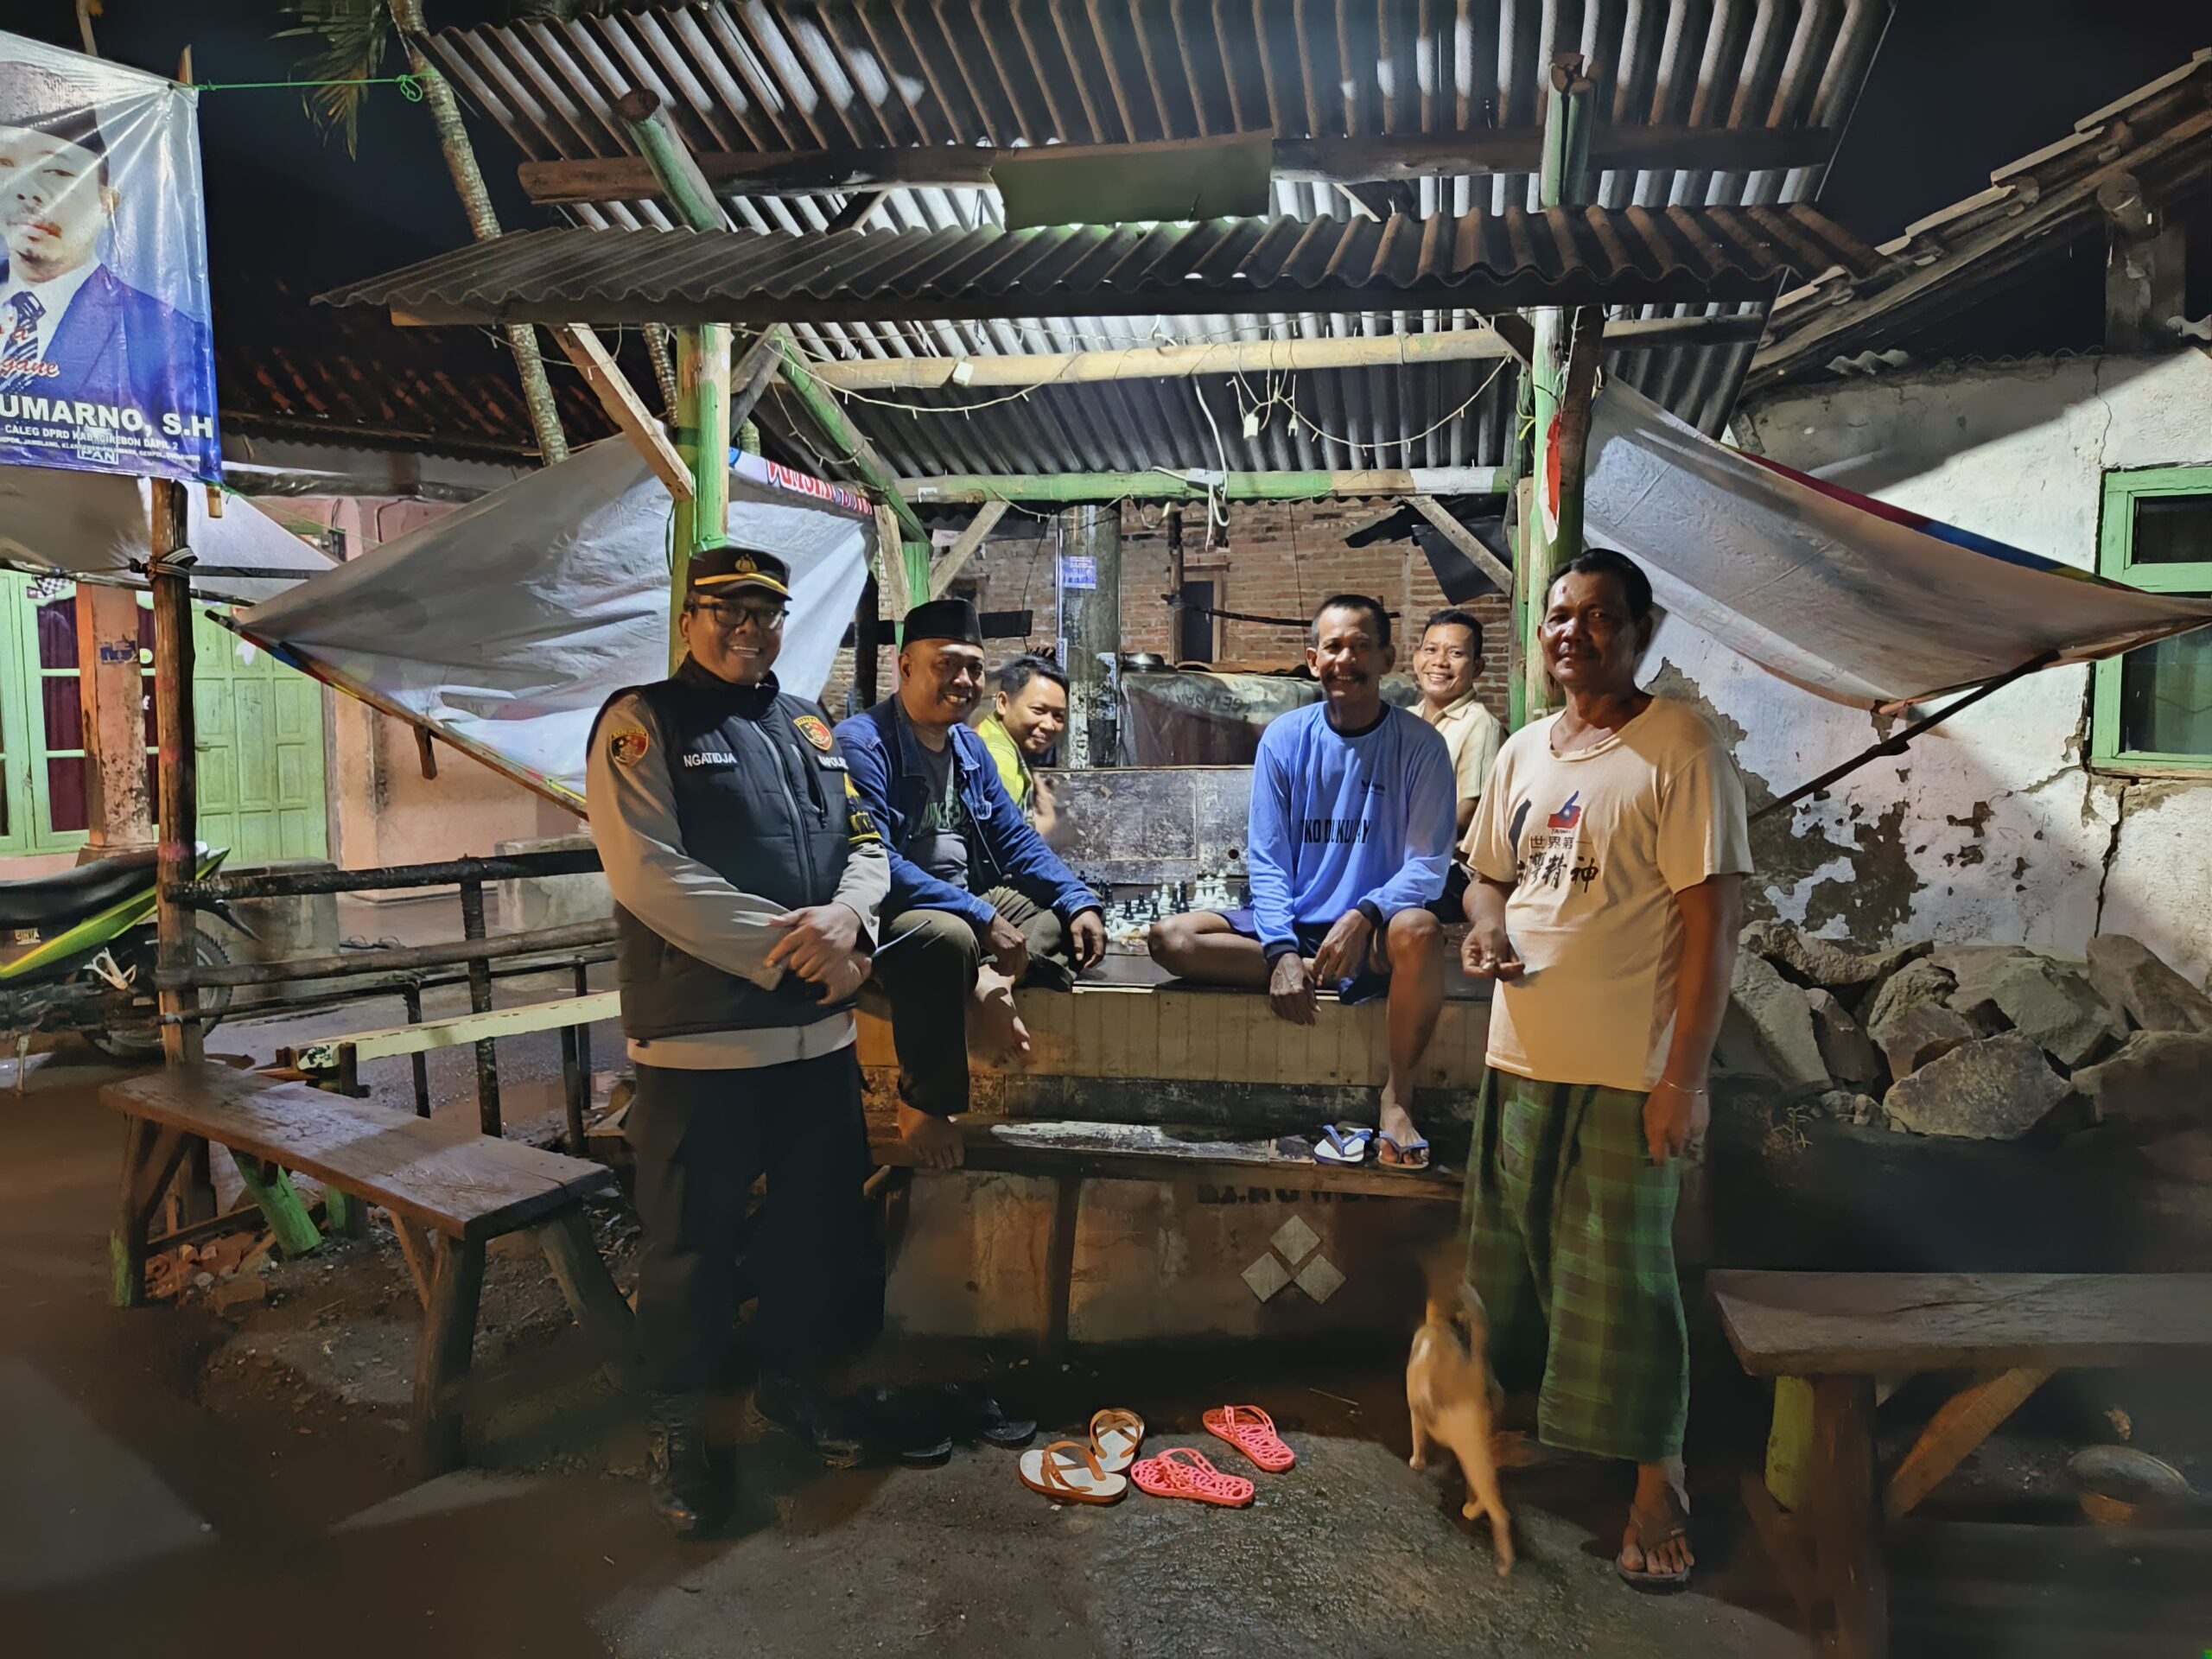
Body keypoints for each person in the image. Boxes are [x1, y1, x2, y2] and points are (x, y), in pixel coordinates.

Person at [1459, 547, 1750, 1589]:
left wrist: (1684, 1080)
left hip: (1628, 1072)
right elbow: (1487, 878)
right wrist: (1485, 928)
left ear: (1639, 634)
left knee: (1625, 1285)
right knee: (1523, 1268)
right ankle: (1557, 1434)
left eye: (1598, 617)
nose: (1571, 633)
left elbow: (1713, 927)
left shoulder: (1681, 747)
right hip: (1519, 1057)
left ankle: (1658, 1481)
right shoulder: (1523, 753)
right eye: (1558, 615)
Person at [587, 540, 890, 1536]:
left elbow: (866, 843)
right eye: (728, 612)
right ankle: (682, 1429)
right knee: (689, 1253)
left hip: (816, 1043)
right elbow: (650, 874)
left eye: (765, 614)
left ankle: (795, 1386)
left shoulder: (807, 723)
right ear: (689, 621)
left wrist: (851, 922)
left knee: (815, 1234)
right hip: (702, 1045)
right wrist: (798, 953)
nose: (749, 630)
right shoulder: (643, 722)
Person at [1147, 594, 1455, 1170]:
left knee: (1420, 930)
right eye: (1333, 647)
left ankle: (1397, 1098)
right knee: (1171, 939)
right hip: (1302, 923)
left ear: (1386, 659)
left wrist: (1365, 913)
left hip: (1373, 933)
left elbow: (1428, 865)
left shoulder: (1420, 746)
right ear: (1313, 660)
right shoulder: (1285, 738)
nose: (1346, 659)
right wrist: (1282, 951)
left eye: (1361, 647)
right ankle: (1316, 970)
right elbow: (1268, 860)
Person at [836, 599, 1106, 1173]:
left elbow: (1017, 843)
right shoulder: (862, 744)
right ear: (906, 667)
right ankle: (923, 1104)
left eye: (975, 668)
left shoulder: (969, 747)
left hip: (966, 907)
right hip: (892, 916)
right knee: (946, 937)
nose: (964, 680)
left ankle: (988, 981)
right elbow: (876, 862)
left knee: (1056, 918)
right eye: (947, 664)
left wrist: (1078, 898)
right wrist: (979, 918)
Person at [0, 68, 213, 421]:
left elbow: (180, 437)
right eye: (5, 166)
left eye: (57, 172)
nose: (26, 190)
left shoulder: (167, 338)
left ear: (107, 201)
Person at [1412, 607, 1505, 918]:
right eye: (1431, 650)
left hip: (1447, 872)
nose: (1440, 662)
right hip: (1400, 861)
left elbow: (1468, 812)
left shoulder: (1480, 725)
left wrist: (1399, 844)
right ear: (1416, 657)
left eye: (1455, 653)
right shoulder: (1405, 721)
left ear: (1477, 666)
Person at [978, 653, 1070, 847]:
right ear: (1003, 703)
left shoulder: (989, 735)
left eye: (1058, 716)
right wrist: (1044, 827)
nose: (1049, 725)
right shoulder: (999, 759)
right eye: (1038, 710)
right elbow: (1003, 845)